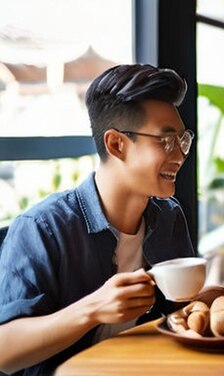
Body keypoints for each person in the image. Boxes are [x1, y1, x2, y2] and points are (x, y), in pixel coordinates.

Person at [0, 64, 196, 375]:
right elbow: (5, 351)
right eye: (166, 141)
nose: (181, 154)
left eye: (183, 140)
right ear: (116, 144)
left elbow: (182, 315)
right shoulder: (42, 229)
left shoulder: (169, 217)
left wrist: (209, 301)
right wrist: (93, 309)